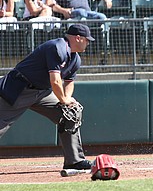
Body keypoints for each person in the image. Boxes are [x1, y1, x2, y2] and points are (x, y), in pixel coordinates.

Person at [0, 24, 95, 170]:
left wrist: (67, 100)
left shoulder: (75, 59)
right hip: (19, 87)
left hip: (42, 92)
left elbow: (69, 82)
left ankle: (74, 161)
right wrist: (63, 99)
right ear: (78, 38)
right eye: (86, 40)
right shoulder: (57, 47)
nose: (88, 43)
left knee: (69, 114)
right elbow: (55, 81)